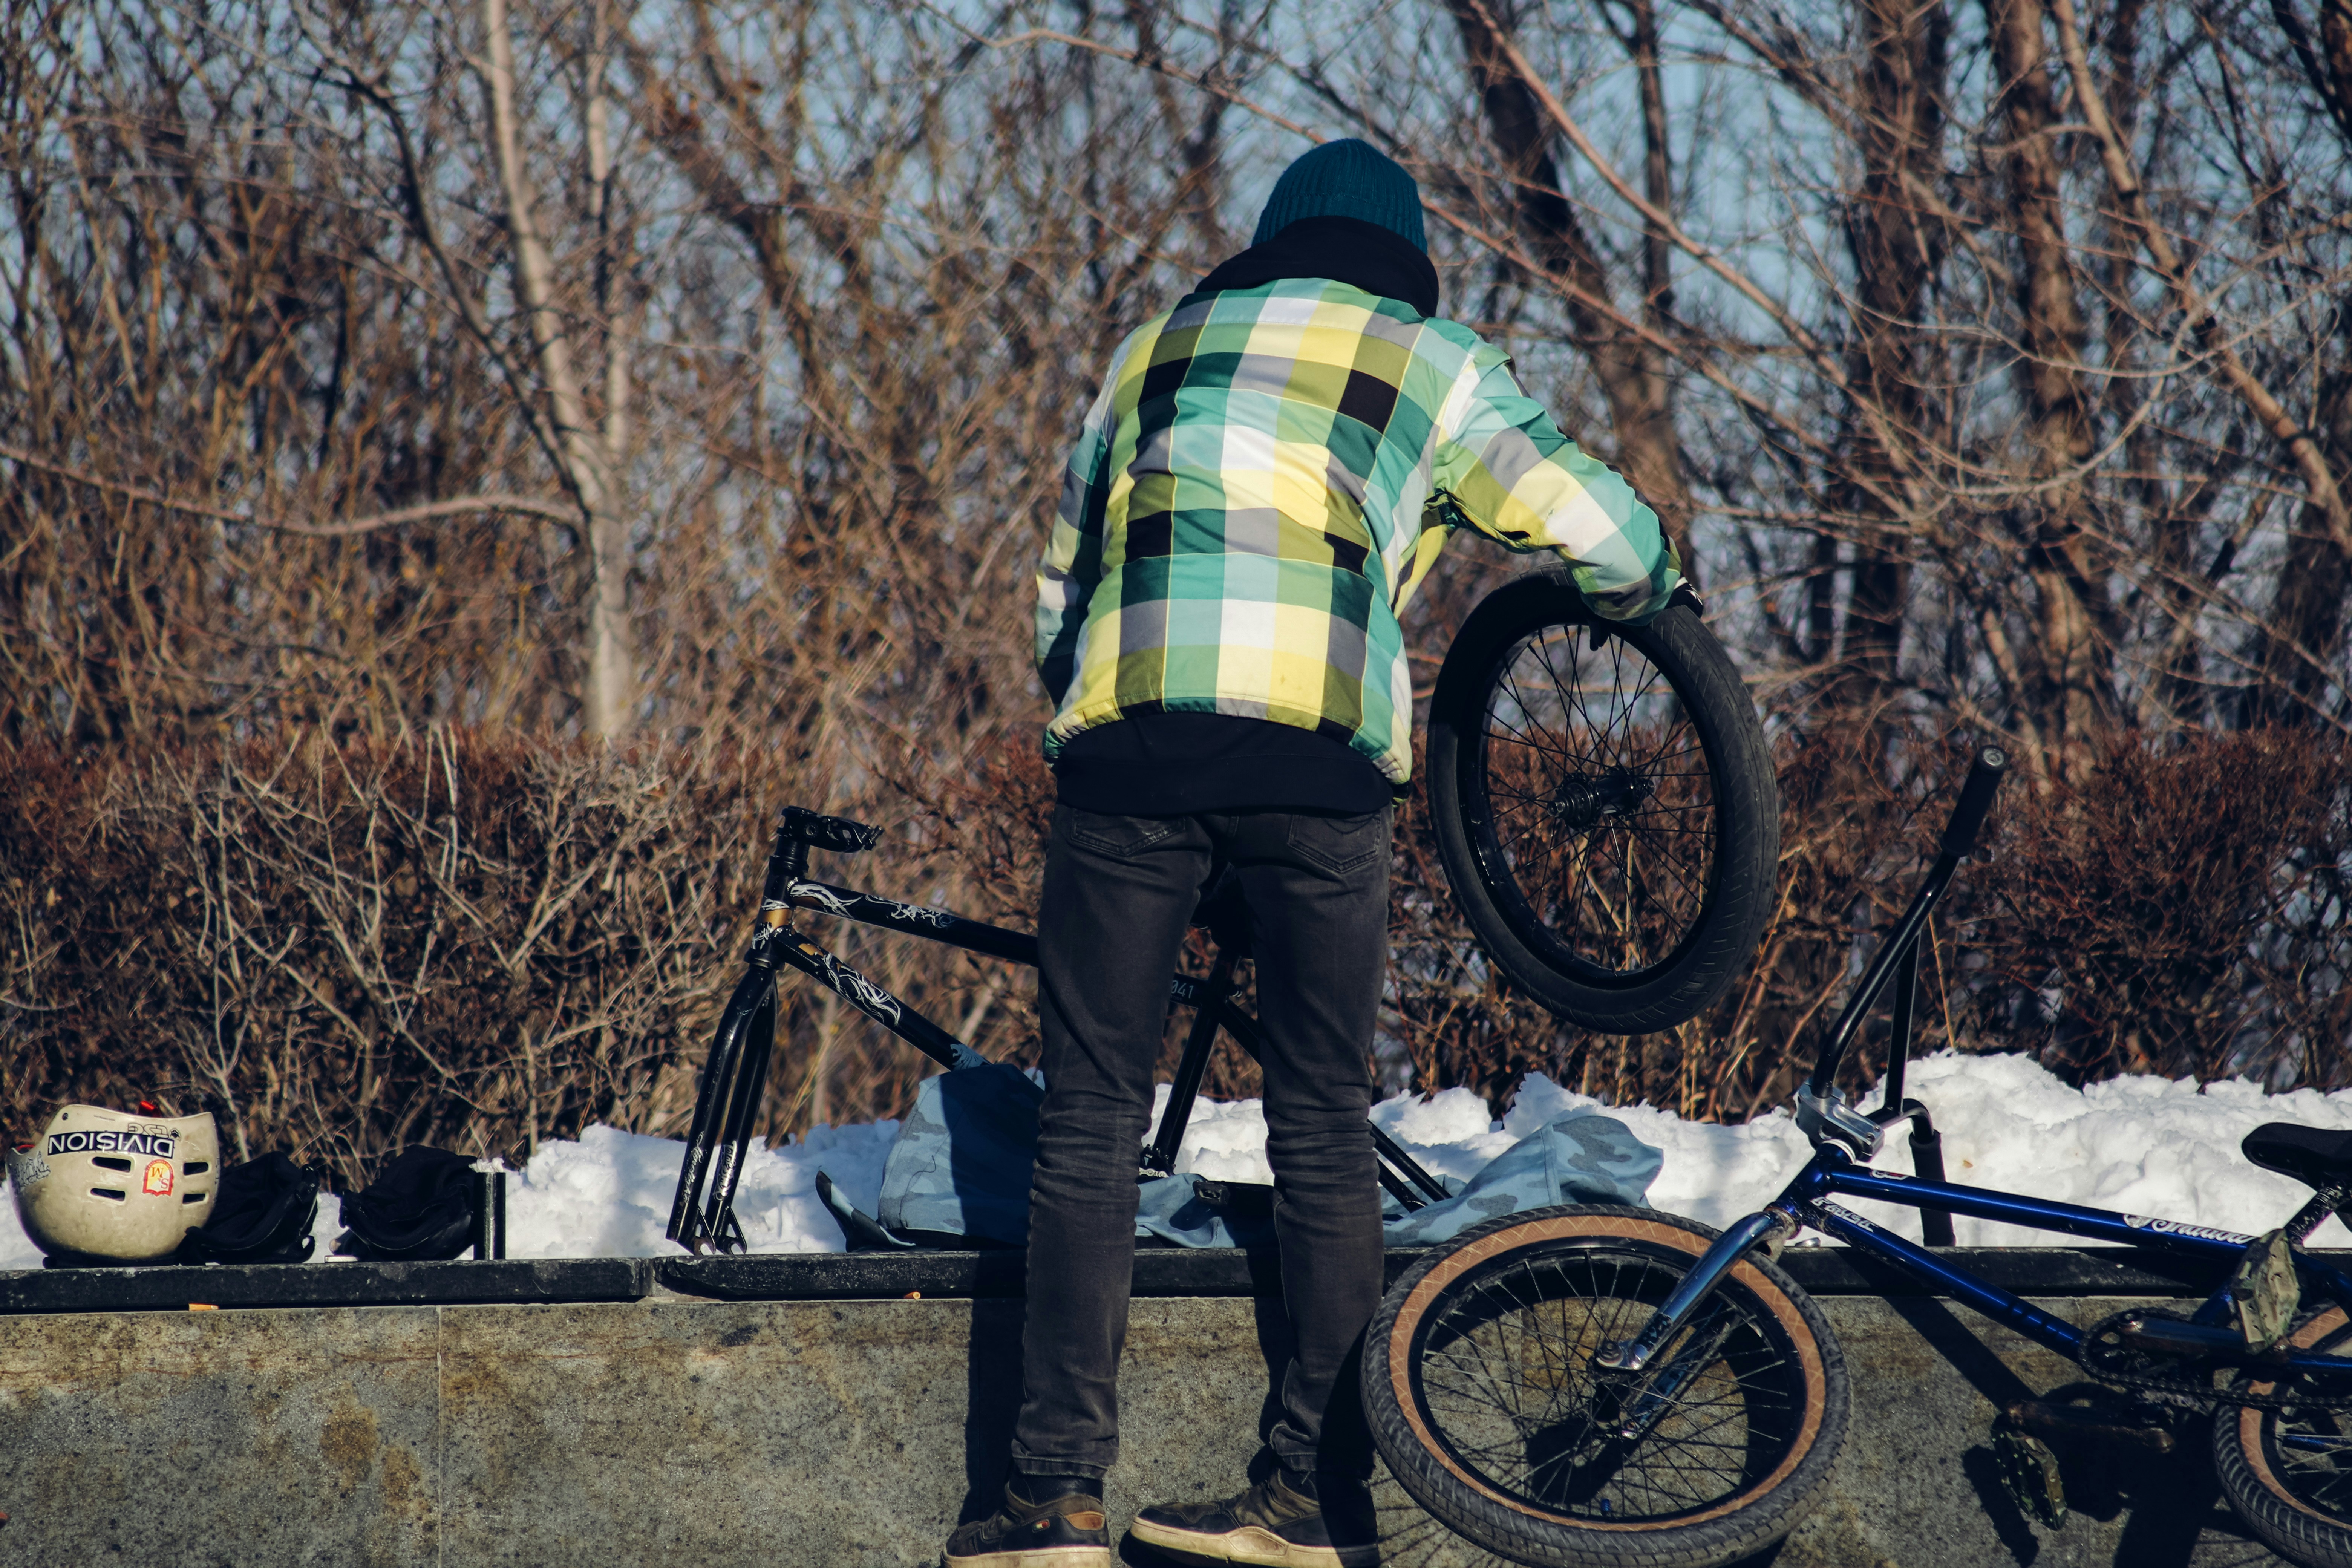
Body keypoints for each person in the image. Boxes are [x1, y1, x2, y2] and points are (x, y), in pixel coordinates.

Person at [944, 139, 1680, 1568]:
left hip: (1135, 746)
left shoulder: (1155, 345)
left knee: (1092, 1120)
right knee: (1324, 1127)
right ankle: (1313, 1503)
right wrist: (1643, 579)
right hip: (1317, 763)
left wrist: (1101, 712)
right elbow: (1608, 535)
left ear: (1266, 243)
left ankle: (1051, 1505)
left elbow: (1060, 578)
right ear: (1406, 256)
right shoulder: (1433, 359)